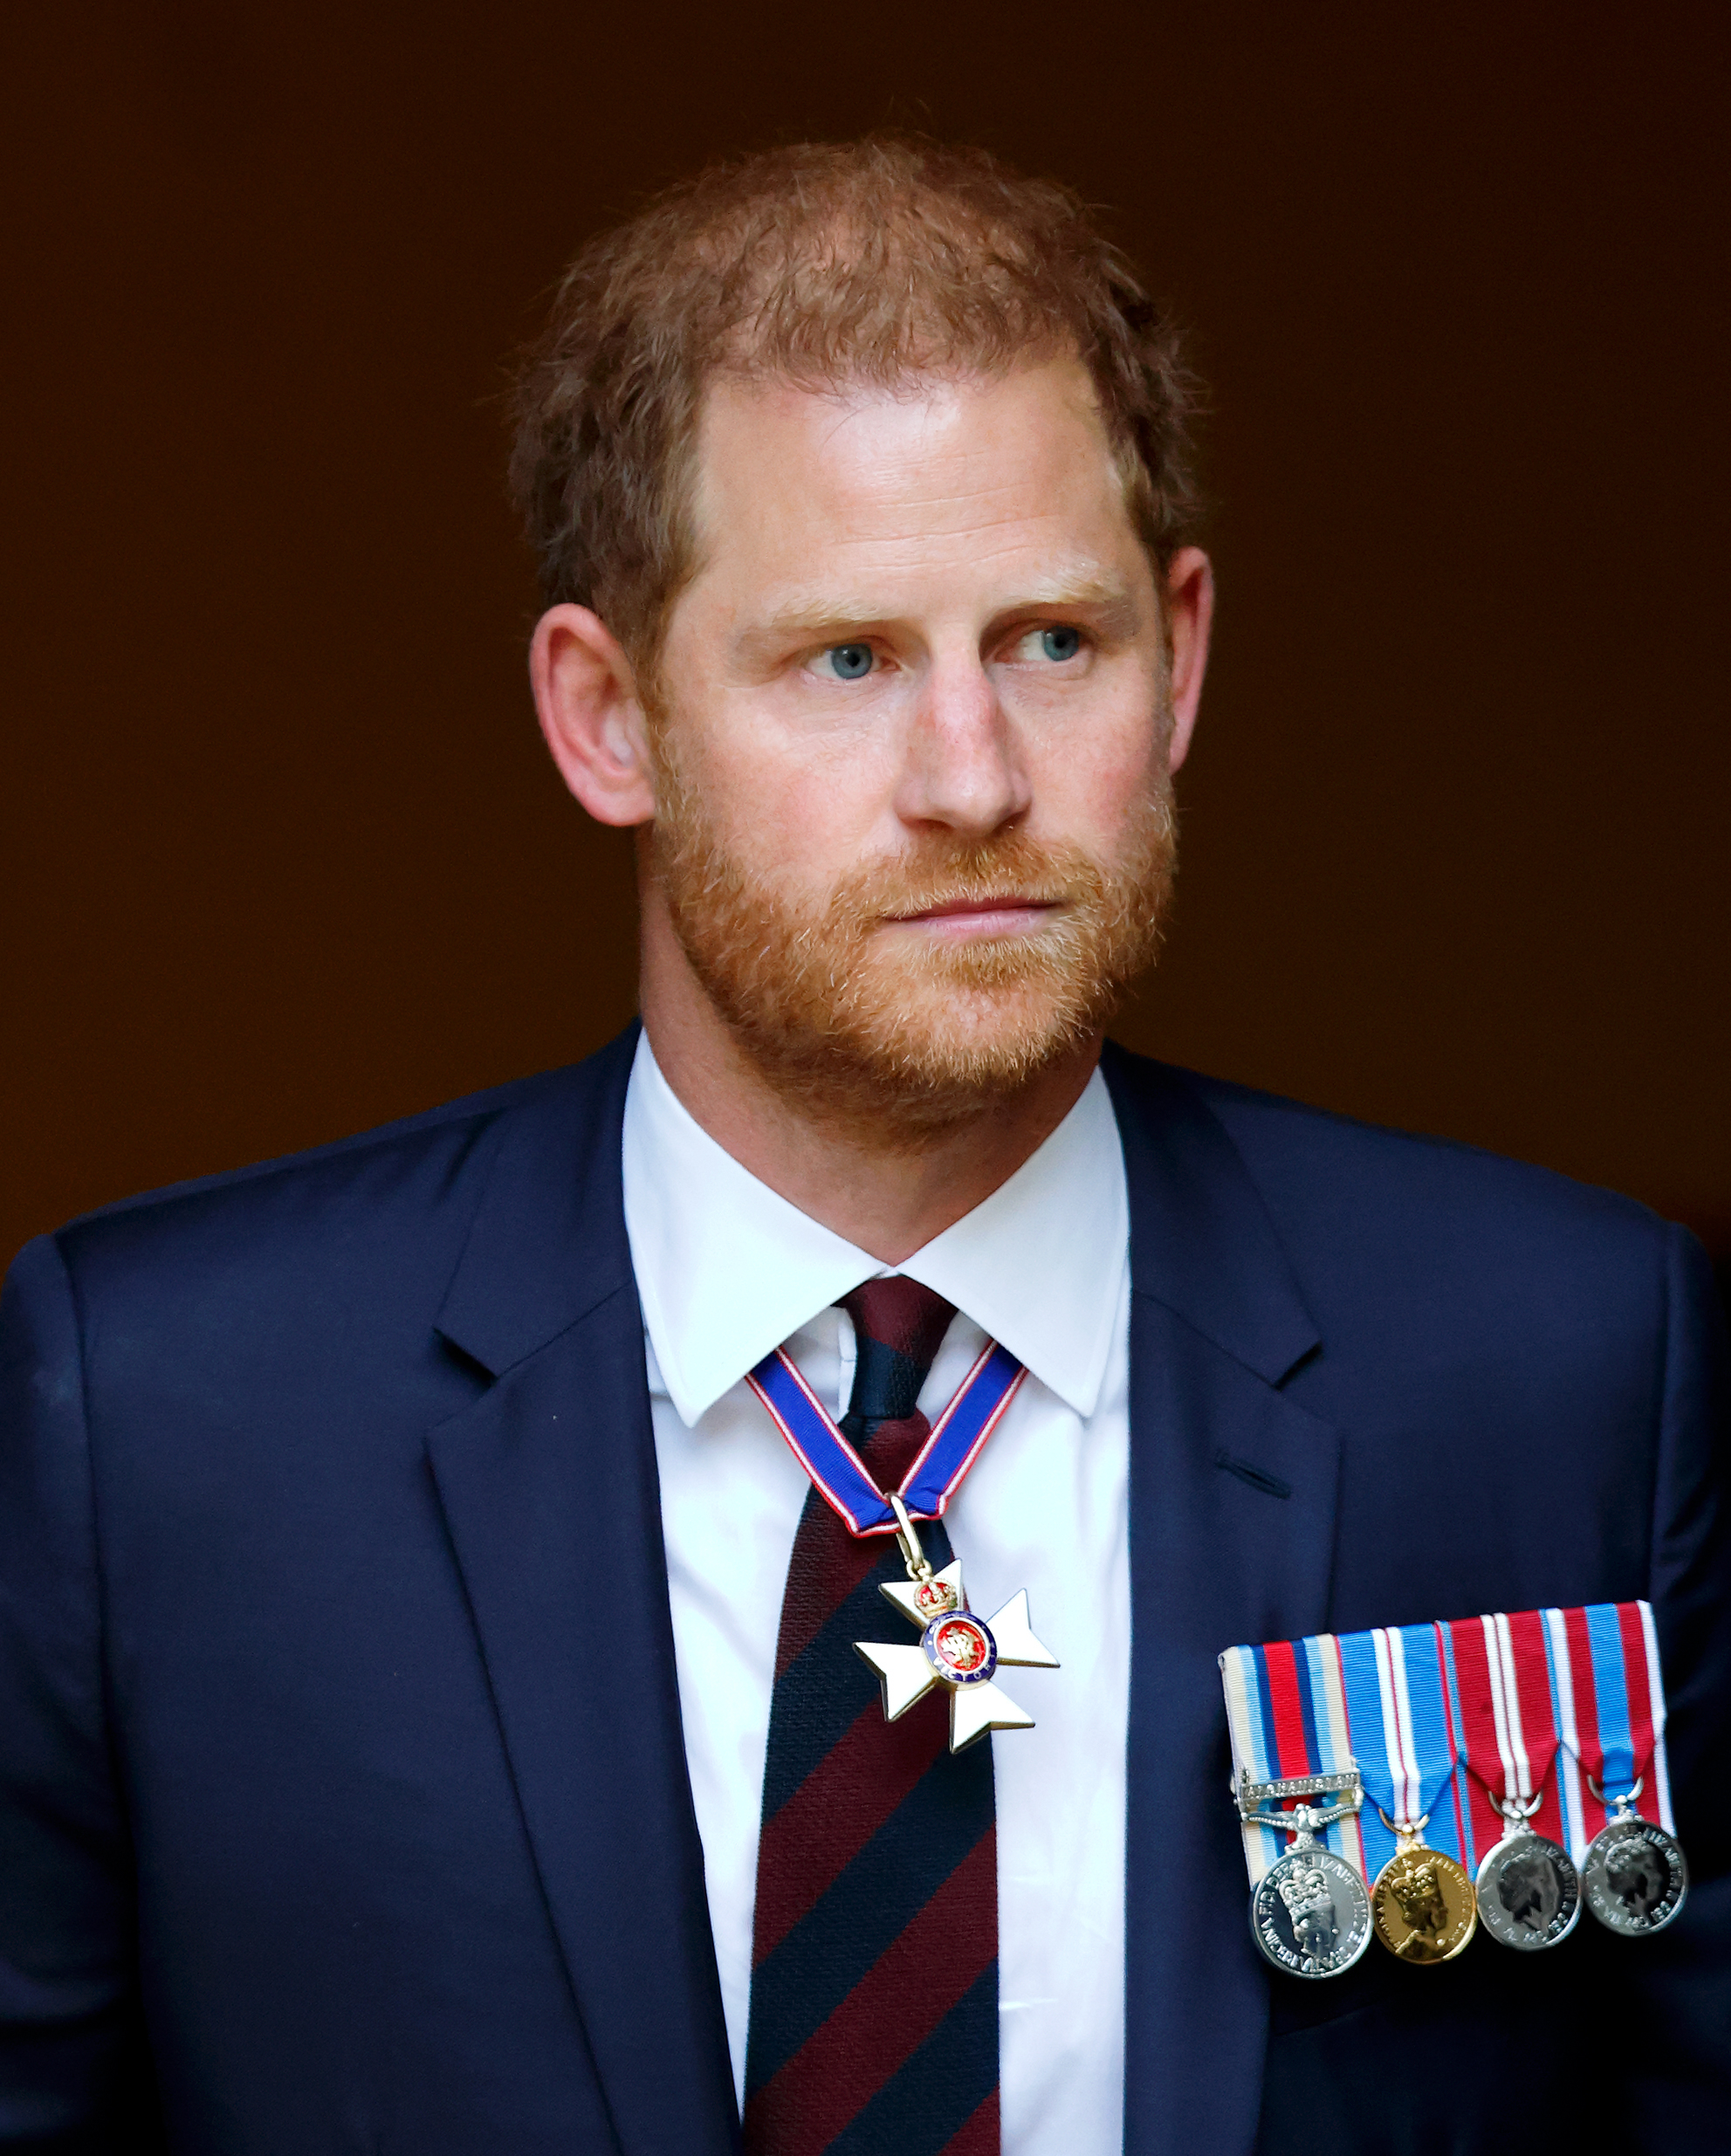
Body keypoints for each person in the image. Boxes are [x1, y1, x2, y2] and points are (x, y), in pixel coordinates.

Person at [1, 136, 1726, 2156]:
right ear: (604, 714)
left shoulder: (1561, 1364)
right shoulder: (169, 1419)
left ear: (1180, 654)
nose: (973, 777)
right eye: (846, 660)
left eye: (1050, 642)